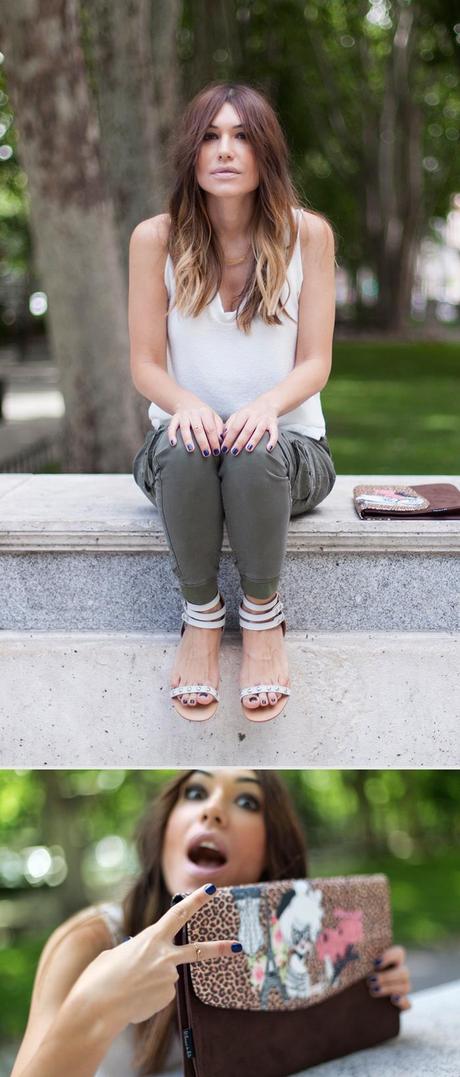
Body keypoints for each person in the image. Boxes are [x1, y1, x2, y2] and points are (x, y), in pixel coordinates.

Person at [129, 82, 337, 721]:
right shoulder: (155, 239)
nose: (225, 150)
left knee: (252, 452)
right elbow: (143, 366)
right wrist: (187, 405)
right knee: (189, 448)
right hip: (181, 455)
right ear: (192, 152)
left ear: (265, 152)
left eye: (241, 136)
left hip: (289, 452)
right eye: (211, 137)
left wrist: (267, 407)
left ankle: (263, 617)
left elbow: (316, 363)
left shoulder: (309, 236)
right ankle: (201, 616)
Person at [11, 769, 411, 1077]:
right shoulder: (88, 942)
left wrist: (369, 984)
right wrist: (97, 1007)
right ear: (164, 828)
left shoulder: (293, 933)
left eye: (247, 802)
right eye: (196, 792)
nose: (213, 810)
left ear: (272, 848)